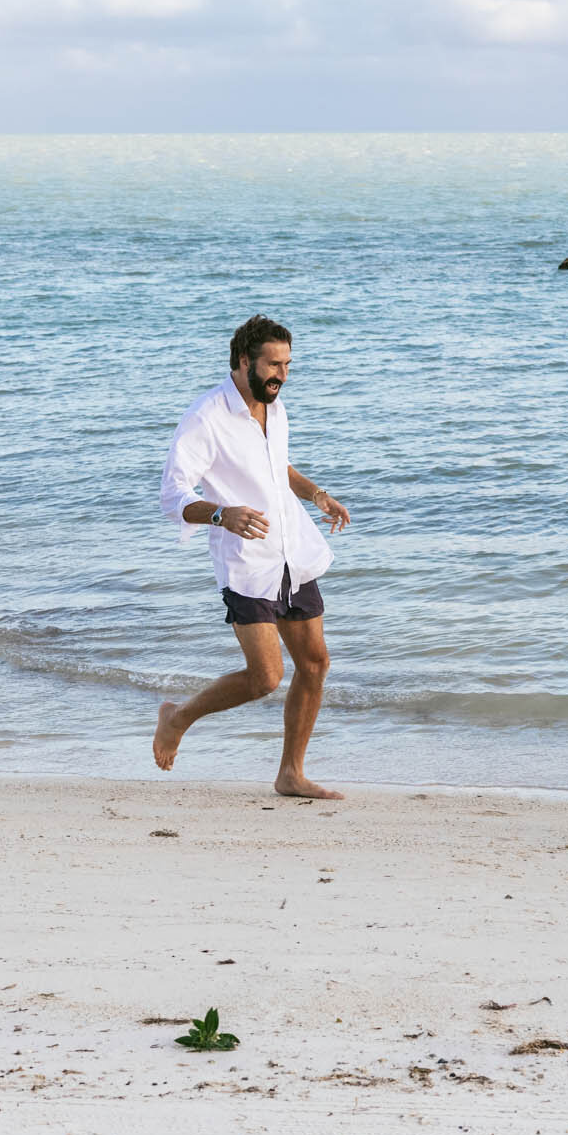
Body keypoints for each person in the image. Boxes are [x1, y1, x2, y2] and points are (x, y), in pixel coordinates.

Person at [153, 315, 351, 797]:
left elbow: (274, 465)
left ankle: (290, 774)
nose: (281, 374)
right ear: (244, 362)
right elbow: (171, 494)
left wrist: (316, 494)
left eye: (286, 364)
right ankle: (178, 717)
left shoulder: (272, 405)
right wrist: (222, 515)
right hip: (246, 561)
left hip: (292, 550)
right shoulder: (206, 417)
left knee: (315, 664)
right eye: (272, 364)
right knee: (266, 677)